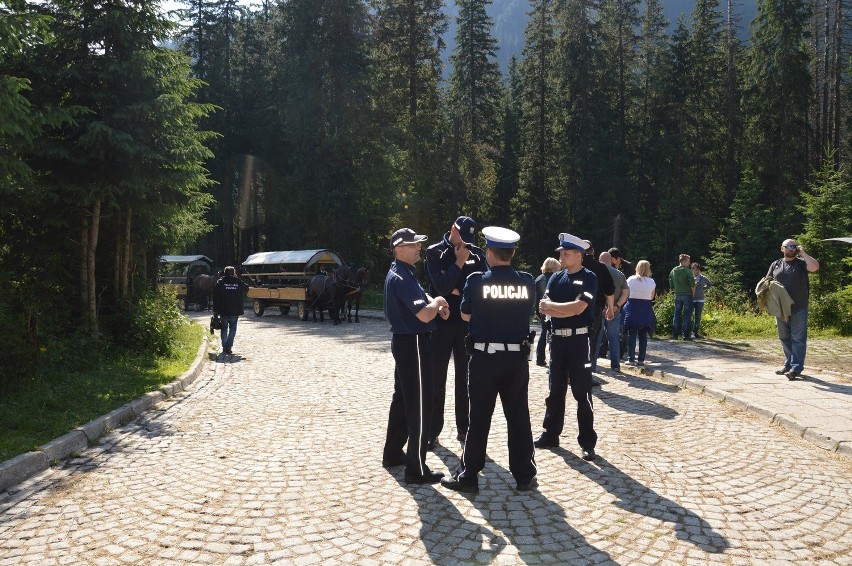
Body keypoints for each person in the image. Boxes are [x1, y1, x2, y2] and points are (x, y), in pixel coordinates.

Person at [441, 227, 538, 493]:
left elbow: (465, 316)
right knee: (518, 416)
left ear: (488, 252)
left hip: (484, 359)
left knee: (479, 418)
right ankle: (524, 476)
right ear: (513, 253)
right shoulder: (527, 281)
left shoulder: (475, 280)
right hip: (516, 360)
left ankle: (469, 476)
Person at [382, 228, 450, 484]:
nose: (418, 248)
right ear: (399, 249)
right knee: (420, 405)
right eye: (413, 245)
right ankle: (417, 468)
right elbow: (423, 314)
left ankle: (392, 453)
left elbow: (422, 299)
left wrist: (435, 302)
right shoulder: (402, 276)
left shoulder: (402, 272)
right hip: (415, 344)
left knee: (402, 400)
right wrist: (439, 303)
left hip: (407, 343)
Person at [534, 233, 599, 461]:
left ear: (579, 255)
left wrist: (556, 308)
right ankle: (551, 433)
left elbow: (579, 308)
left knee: (582, 392)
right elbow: (543, 307)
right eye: (560, 253)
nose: (561, 256)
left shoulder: (589, 277)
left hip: (579, 341)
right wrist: (561, 308)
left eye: (566, 253)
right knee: (555, 390)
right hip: (557, 340)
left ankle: (587, 442)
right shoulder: (555, 278)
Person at [424, 216, 488, 449]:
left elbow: (481, 286)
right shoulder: (434, 252)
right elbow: (439, 287)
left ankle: (465, 429)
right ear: (453, 230)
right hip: (440, 324)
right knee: (436, 378)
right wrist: (459, 263)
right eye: (463, 236)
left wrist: (456, 289)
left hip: (466, 324)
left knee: (466, 379)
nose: (467, 244)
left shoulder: (478, 254)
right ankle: (432, 430)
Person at [766, 239, 819, 379]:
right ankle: (788, 364)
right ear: (782, 248)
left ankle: (796, 368)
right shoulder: (776, 264)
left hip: (799, 307)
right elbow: (768, 282)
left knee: (798, 339)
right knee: (784, 338)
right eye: (788, 246)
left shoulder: (801, 263)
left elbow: (814, 267)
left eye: (794, 246)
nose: (791, 248)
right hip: (780, 308)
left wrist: (803, 252)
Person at [581, 241, 615, 386]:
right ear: (593, 251)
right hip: (594, 310)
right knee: (591, 343)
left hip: (571, 310)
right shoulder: (600, 267)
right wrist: (611, 308)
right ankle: (586, 375)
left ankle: (570, 372)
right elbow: (610, 290)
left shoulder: (573, 266)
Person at [592, 251, 628, 372]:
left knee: (597, 336)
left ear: (599, 259)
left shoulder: (595, 272)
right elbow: (626, 293)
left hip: (599, 308)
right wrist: (616, 306)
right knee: (614, 337)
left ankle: (593, 365)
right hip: (615, 309)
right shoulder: (619, 274)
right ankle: (615, 364)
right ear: (611, 260)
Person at [623, 260, 657, 366]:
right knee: (643, 335)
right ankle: (641, 359)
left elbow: (626, 293)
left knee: (631, 334)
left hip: (632, 307)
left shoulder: (630, 280)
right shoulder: (651, 282)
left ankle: (631, 358)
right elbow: (652, 297)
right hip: (645, 308)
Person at [212, 266, 249, 355]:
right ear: (234, 273)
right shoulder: (237, 281)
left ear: (224, 272)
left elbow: (216, 297)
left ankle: (225, 347)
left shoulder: (220, 282)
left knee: (224, 328)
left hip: (223, 309)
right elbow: (246, 288)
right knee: (233, 329)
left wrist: (215, 309)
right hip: (235, 310)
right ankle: (228, 347)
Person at [534, 257, 561, 367]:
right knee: (554, 334)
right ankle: (554, 358)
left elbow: (536, 298)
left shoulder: (538, 279)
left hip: (543, 310)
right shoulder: (557, 278)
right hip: (554, 309)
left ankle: (540, 359)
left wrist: (538, 311)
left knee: (544, 332)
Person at [669, 254, 695, 340]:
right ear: (683, 262)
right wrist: (693, 294)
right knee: (687, 315)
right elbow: (692, 284)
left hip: (678, 295)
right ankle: (685, 335)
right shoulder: (688, 271)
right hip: (687, 295)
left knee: (676, 315)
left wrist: (676, 290)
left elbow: (671, 285)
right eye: (688, 261)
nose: (689, 263)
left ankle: (675, 335)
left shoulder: (673, 271)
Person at [690, 263, 713, 339]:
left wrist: (703, 288)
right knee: (689, 316)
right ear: (691, 270)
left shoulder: (703, 278)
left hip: (700, 300)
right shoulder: (690, 278)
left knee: (698, 317)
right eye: (693, 269)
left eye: (697, 270)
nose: (695, 271)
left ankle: (695, 332)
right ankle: (688, 332)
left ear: (699, 270)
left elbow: (710, 284)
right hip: (691, 299)